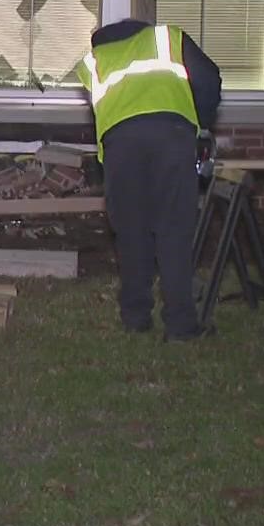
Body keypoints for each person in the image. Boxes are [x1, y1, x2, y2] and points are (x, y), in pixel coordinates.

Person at [76, 18, 221, 341]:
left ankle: (135, 316)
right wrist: (203, 123)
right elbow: (209, 78)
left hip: (120, 145)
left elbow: (101, 109)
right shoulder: (167, 38)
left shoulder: (93, 61)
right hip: (172, 136)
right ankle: (181, 324)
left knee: (130, 230)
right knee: (174, 229)